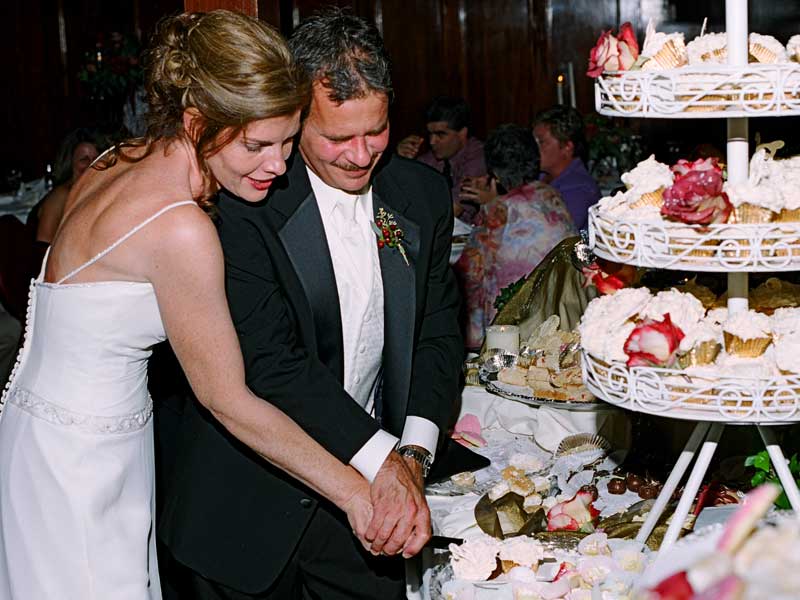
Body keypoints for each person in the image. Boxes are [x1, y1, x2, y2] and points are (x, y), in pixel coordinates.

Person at [0, 11, 379, 599]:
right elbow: (228, 400)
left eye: (286, 142)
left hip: (41, 432)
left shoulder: (114, 159)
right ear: (197, 119)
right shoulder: (182, 231)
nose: (278, 167)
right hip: (85, 463)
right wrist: (355, 492)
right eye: (257, 145)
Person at [158, 9, 462, 600]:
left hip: (371, 504)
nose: (360, 154)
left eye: (374, 132)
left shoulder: (421, 197)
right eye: (336, 137)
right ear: (296, 118)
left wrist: (414, 456)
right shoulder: (244, 201)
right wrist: (383, 462)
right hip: (243, 507)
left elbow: (436, 332)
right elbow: (271, 362)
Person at [455, 123, 576, 349]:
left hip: (516, 326)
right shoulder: (551, 195)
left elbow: (469, 274)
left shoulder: (498, 211)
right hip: (558, 316)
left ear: (496, 174)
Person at [396, 96, 487, 224]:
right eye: (430, 134)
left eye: (440, 134)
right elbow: (402, 200)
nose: (432, 142)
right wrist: (400, 162)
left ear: (462, 133)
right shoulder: (432, 157)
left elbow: (451, 211)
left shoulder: (477, 157)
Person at [533, 105, 601, 230]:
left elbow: (554, 237)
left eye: (541, 142)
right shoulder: (540, 176)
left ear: (567, 147)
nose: (533, 148)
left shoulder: (579, 189)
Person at [30, 128, 104, 243]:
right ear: (70, 163)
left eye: (96, 158)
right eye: (84, 159)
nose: (91, 164)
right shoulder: (61, 196)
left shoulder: (95, 191)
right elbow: (43, 245)